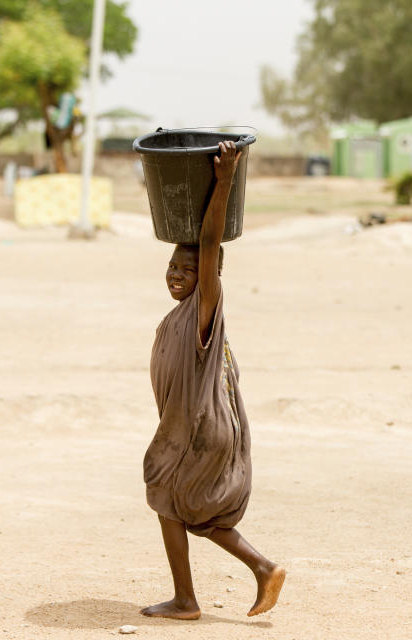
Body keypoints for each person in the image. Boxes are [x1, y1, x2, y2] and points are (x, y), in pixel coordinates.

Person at [142, 140, 285, 620]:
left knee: (171, 498)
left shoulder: (206, 311)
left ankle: (193, 598)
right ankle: (258, 570)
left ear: (210, 277)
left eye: (189, 269)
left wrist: (223, 181)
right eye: (172, 266)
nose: (178, 275)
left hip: (202, 433)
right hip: (191, 431)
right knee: (183, 507)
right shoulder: (178, 316)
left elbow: (208, 244)